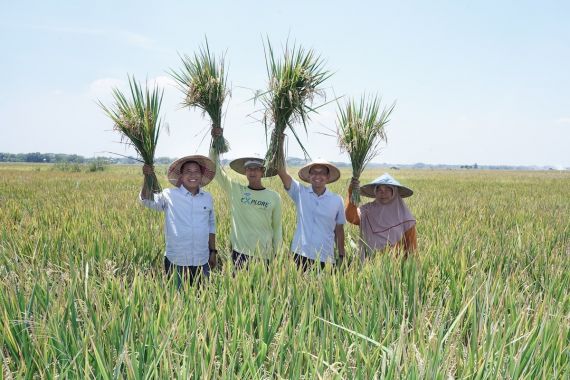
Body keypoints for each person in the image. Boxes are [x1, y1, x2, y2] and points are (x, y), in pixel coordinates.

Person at [210, 128, 282, 269]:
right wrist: (215, 143)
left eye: (256, 168)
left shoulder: (274, 197)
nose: (252, 171)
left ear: (263, 171)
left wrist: (277, 255)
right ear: (245, 172)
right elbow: (216, 170)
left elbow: (277, 228)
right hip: (240, 254)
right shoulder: (236, 190)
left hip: (265, 255)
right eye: (249, 168)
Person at [140, 155, 217, 286]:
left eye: (196, 171)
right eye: (188, 171)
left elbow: (211, 225)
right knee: (177, 302)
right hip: (176, 260)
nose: (193, 175)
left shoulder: (207, 197)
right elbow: (147, 200)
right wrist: (147, 177)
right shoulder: (169, 195)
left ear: (201, 175)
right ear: (181, 176)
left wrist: (213, 251)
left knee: (203, 300)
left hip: (202, 259)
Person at [275, 134, 346, 269]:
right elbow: (281, 171)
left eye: (322, 173)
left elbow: (339, 230)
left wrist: (341, 255)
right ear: (309, 176)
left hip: (325, 257)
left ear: (327, 176)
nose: (317, 176)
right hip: (299, 254)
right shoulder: (300, 193)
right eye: (314, 172)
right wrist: (279, 142)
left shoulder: (337, 201)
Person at [345, 173, 417, 260]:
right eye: (379, 189)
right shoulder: (367, 210)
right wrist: (352, 193)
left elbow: (412, 249)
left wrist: (410, 270)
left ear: (394, 192)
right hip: (368, 264)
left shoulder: (405, 217)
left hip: (394, 267)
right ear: (375, 192)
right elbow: (352, 218)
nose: (383, 193)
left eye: (387, 189)